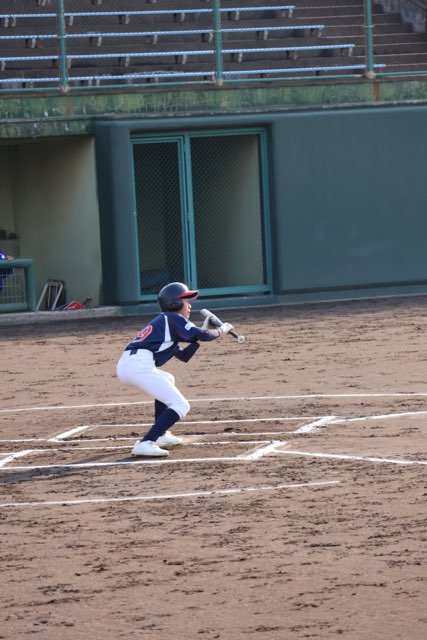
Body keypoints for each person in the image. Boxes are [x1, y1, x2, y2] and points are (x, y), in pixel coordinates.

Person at [116, 282, 234, 457]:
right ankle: (146, 442)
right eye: (186, 301)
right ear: (174, 304)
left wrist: (202, 332)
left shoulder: (166, 324)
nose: (189, 306)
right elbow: (204, 335)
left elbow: (184, 355)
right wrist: (221, 330)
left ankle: (161, 435)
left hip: (129, 365)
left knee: (168, 378)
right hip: (138, 364)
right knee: (181, 405)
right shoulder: (171, 317)